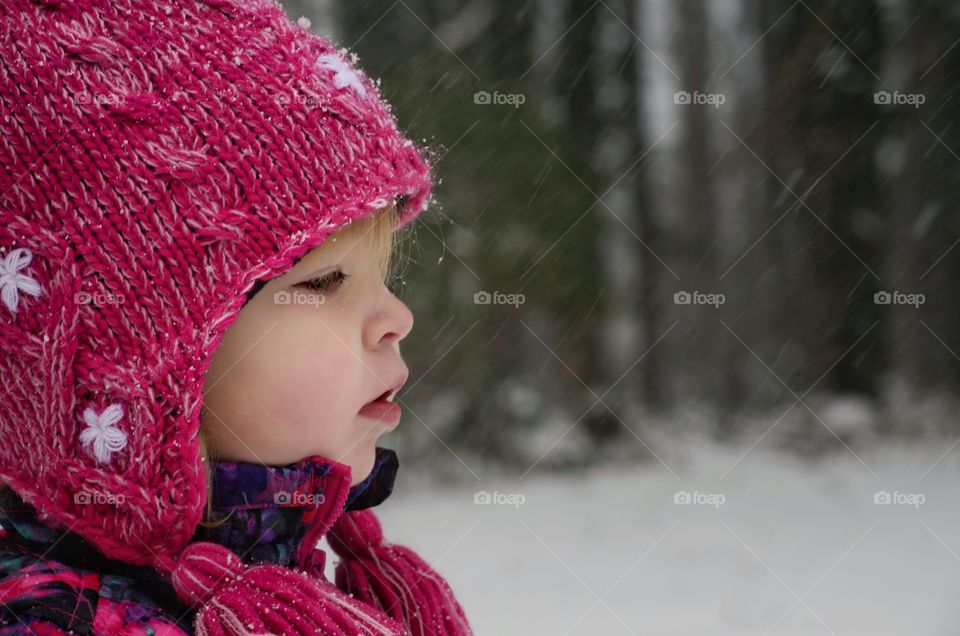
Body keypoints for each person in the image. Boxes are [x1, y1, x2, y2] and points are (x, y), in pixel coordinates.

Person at [0, 0, 473, 633]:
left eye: (380, 278)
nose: (398, 318)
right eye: (325, 281)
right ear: (151, 361)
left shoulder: (261, 578)